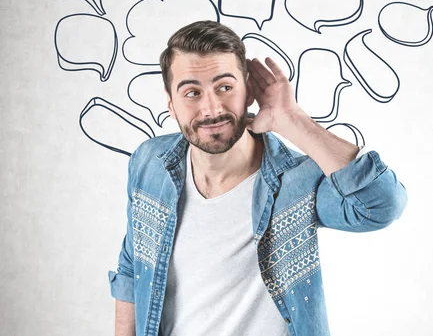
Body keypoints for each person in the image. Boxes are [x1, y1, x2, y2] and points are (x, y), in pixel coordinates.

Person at [108, 20, 408, 336]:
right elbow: (132, 269)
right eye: (192, 92)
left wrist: (292, 120)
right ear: (170, 104)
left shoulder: (298, 182)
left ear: (248, 90)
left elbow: (381, 205)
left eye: (225, 87)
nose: (212, 108)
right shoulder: (149, 163)